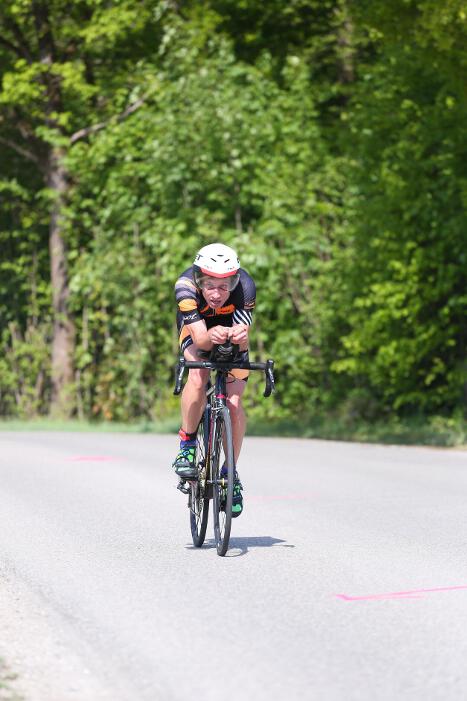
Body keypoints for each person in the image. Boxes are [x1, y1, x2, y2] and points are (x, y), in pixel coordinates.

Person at [172, 243, 256, 518]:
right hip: (197, 330)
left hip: (230, 333)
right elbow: (200, 340)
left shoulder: (245, 287)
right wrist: (213, 334)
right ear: (199, 280)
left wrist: (238, 337)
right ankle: (187, 446)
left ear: (234, 281)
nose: (217, 294)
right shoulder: (185, 287)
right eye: (210, 286)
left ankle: (230, 474)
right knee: (198, 375)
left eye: (224, 286)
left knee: (234, 402)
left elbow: (243, 338)